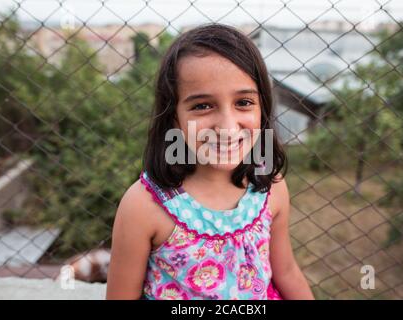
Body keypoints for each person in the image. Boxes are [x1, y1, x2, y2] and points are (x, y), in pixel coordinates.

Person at [106, 23, 314, 300]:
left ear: (262, 108)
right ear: (174, 118)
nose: (227, 127)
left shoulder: (271, 187)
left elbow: (286, 272)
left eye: (243, 102)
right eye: (203, 106)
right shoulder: (143, 207)